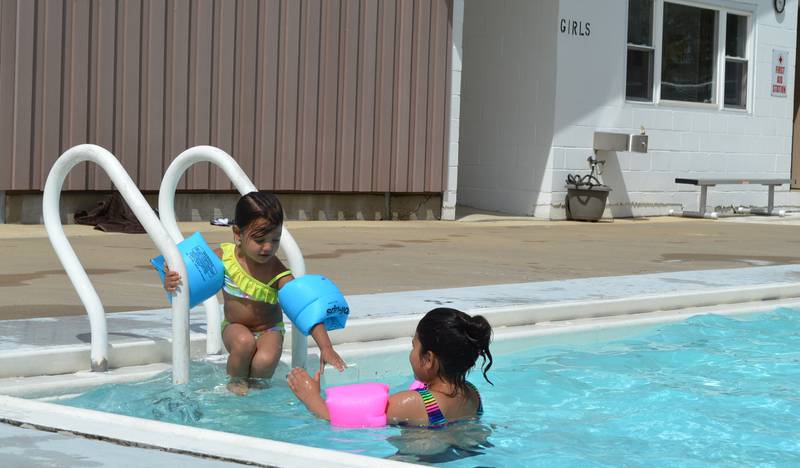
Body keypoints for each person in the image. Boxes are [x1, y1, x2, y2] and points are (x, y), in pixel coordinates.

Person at [163, 191, 346, 395]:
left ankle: (258, 391)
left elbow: (306, 308)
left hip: (269, 330)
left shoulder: (278, 273)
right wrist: (170, 278)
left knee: (264, 362)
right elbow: (182, 270)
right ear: (237, 234)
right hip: (234, 326)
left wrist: (326, 348)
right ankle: (235, 382)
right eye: (260, 240)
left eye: (275, 240)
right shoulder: (223, 257)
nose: (268, 247)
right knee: (243, 342)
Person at [287, 307, 492, 428]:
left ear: (428, 359)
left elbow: (341, 420)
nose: (411, 353)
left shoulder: (412, 402)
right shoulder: (473, 394)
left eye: (414, 346)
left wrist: (311, 397)